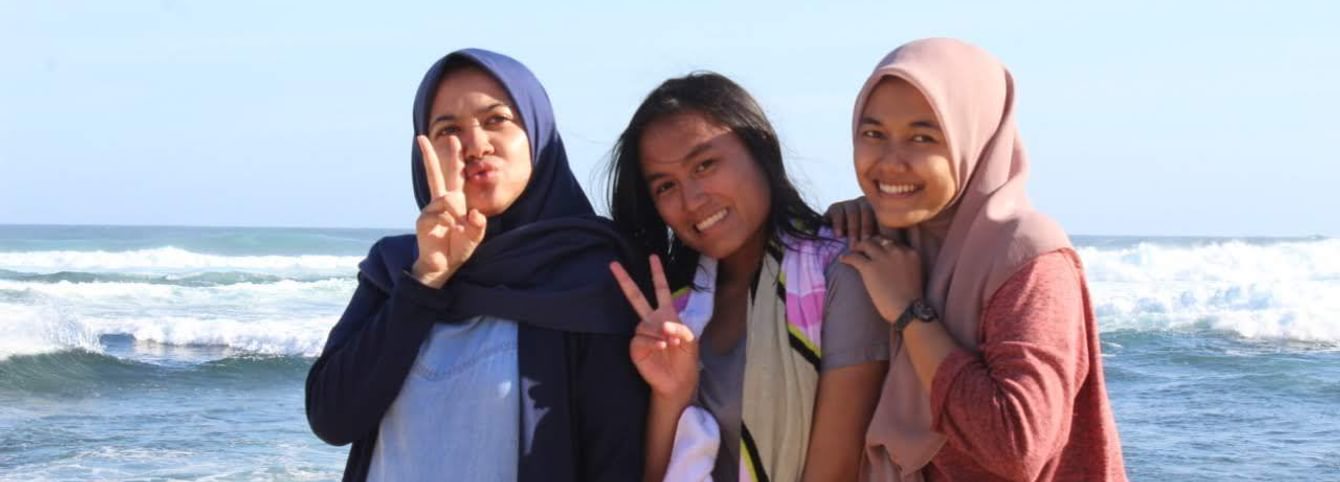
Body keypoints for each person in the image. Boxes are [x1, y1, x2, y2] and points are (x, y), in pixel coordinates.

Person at [305, 48, 648, 482]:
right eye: (448, 129)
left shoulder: (592, 276)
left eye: (496, 120)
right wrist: (426, 280)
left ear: (538, 134)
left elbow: (615, 462)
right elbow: (332, 419)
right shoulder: (395, 268)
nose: (475, 145)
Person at [831, 38, 1126, 481]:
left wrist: (912, 315)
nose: (890, 163)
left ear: (977, 140)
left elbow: (1017, 446)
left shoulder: (1029, 259)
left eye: (922, 138)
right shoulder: (884, 235)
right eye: (873, 134)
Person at [606, 72, 889, 482]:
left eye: (704, 165)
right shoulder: (678, 315)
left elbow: (837, 468)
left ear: (760, 147)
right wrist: (673, 395)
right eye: (666, 187)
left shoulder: (839, 273)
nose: (692, 200)